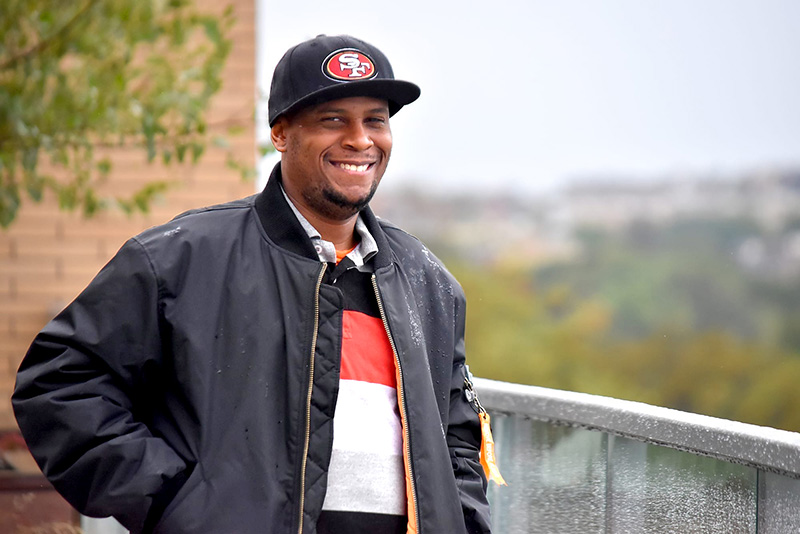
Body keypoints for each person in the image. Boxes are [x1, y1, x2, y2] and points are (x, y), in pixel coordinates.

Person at [12, 35, 493, 534]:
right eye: (333, 120)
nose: (360, 139)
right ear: (281, 134)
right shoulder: (180, 257)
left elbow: (459, 436)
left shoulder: (427, 281)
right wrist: (176, 504)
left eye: (376, 119)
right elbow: (60, 385)